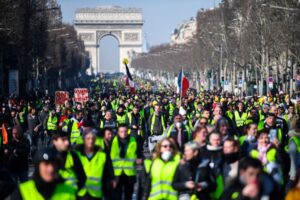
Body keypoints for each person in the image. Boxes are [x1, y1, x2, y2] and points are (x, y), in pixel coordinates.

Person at [10, 147, 76, 200]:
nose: (51, 169)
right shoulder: (22, 192)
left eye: (54, 165)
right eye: (46, 164)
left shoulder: (69, 191)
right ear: (38, 166)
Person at [76, 129, 116, 200]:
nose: (90, 141)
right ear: (84, 140)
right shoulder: (77, 155)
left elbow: (108, 170)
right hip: (80, 192)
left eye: (93, 139)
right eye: (88, 138)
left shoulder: (102, 155)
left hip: (96, 193)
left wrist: (111, 179)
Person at [110, 124, 142, 200]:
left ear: (128, 131)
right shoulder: (112, 141)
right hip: (117, 173)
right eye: (121, 131)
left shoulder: (133, 141)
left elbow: (139, 154)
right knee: (117, 196)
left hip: (130, 173)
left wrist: (139, 159)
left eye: (125, 131)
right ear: (118, 132)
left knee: (129, 196)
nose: (123, 133)